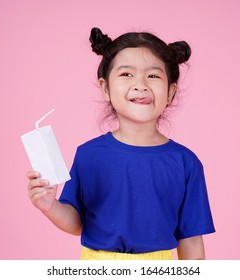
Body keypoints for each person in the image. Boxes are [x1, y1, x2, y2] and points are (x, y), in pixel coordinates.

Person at [27, 27, 215, 260]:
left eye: (153, 76)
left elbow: (192, 239)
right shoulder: (89, 155)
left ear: (170, 92)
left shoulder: (186, 162)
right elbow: (77, 223)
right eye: (127, 74)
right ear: (105, 88)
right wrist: (49, 206)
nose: (140, 84)